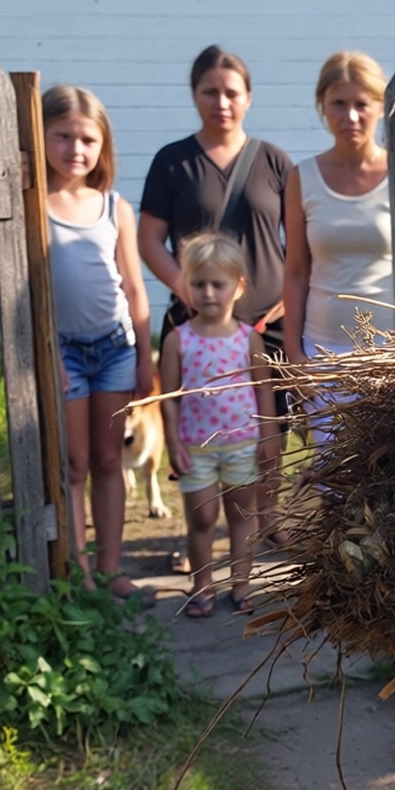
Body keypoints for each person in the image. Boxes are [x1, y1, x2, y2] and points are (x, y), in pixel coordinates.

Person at [139, 47, 293, 539]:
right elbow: (148, 240)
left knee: (272, 424)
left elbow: (302, 242)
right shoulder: (173, 162)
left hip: (268, 322)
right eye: (210, 91)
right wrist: (188, 289)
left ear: (248, 98)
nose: (221, 102)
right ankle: (200, 535)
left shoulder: (273, 161)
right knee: (198, 429)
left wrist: (289, 299)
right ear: (194, 96)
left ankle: (266, 521)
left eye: (231, 92)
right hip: (198, 324)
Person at [42, 84, 155, 601]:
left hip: (115, 348)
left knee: (111, 461)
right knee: (74, 464)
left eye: (87, 138)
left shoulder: (114, 207)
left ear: (103, 145)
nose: (75, 149)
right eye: (63, 136)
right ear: (41, 136)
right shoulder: (32, 205)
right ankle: (78, 568)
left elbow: (133, 286)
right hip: (63, 351)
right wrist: (48, 356)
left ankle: (111, 568)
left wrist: (144, 359)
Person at [159, 231, 276, 618]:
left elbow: (263, 390)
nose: (208, 292)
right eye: (198, 284)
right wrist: (172, 441)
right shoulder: (178, 341)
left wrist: (269, 434)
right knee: (203, 519)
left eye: (217, 284)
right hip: (196, 448)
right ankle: (202, 585)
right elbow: (169, 398)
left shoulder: (248, 340)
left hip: (243, 442)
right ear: (186, 287)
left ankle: (242, 584)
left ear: (238, 288)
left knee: (242, 516)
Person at [282, 51, 393, 425]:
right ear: (322, 107)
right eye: (338, 104)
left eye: (362, 104)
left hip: (391, 350)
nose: (351, 116)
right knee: (331, 474)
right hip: (323, 352)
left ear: (380, 106)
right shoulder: (303, 177)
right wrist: (294, 352)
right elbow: (296, 270)